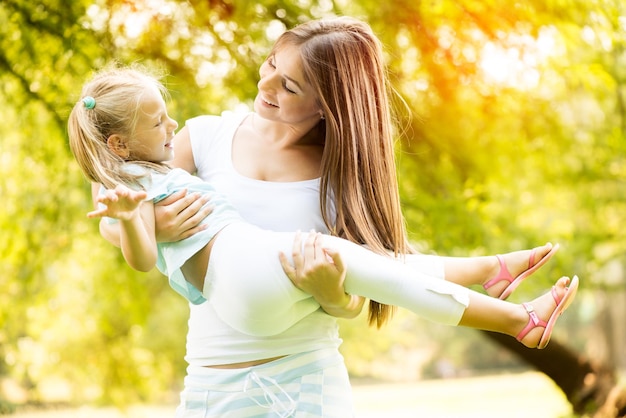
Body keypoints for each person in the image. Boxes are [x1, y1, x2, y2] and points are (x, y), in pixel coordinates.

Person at [71, 64, 578, 416]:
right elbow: (119, 225)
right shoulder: (187, 147)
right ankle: (509, 306)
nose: (266, 82)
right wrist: (144, 224)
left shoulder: (338, 175)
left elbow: (359, 298)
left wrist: (332, 293)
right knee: (355, 257)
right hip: (227, 320)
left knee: (364, 260)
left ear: (324, 101)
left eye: (289, 82)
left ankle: (497, 284)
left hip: (292, 344)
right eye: (159, 120)